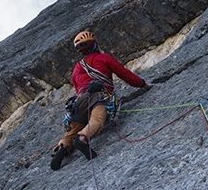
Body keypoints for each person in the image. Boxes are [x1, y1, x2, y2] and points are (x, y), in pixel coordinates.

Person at [51, 30, 152, 168]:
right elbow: (124, 74)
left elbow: (77, 87)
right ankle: (82, 138)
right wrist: (143, 84)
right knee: (97, 119)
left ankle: (63, 146)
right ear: (94, 44)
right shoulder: (104, 58)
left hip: (79, 101)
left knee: (72, 130)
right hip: (99, 97)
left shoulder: (77, 68)